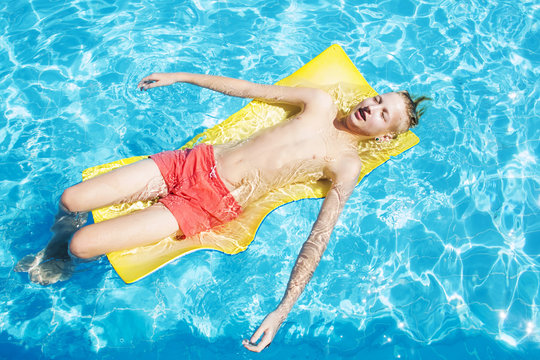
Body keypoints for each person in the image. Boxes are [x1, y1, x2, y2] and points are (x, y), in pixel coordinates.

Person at [15, 71, 429, 352]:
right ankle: (54, 249)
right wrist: (184, 76)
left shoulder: (346, 165)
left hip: (209, 203)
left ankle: (64, 258)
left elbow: (319, 235)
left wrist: (283, 310)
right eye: (376, 98)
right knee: (71, 199)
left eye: (382, 114)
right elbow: (249, 89)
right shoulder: (319, 102)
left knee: (85, 245)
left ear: (384, 136)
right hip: (192, 162)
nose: (371, 107)